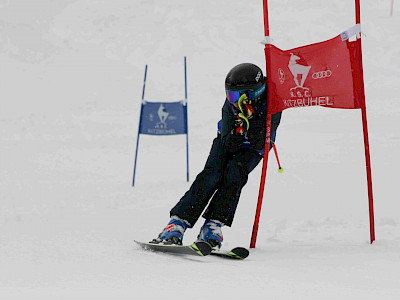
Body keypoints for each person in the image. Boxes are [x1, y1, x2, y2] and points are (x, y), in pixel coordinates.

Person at [151, 63, 282, 249]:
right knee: (212, 175)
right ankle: (176, 224)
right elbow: (228, 143)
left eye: (237, 96)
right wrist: (237, 130)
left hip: (253, 149)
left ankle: (212, 226)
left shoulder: (273, 104)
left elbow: (259, 142)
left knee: (234, 175)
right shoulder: (230, 106)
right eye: (230, 95)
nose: (233, 100)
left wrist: (251, 121)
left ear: (253, 94)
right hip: (225, 141)